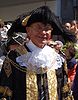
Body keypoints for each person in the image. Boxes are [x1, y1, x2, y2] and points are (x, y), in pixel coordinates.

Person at [0, 6, 76, 100]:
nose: (44, 32)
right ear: (28, 30)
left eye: (47, 28)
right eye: (39, 27)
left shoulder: (58, 59)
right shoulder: (14, 58)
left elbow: (65, 93)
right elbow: (5, 94)